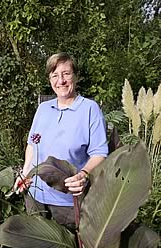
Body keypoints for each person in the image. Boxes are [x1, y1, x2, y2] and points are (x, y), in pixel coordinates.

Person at [14, 52, 108, 229]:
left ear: (75, 76)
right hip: (34, 195)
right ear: (50, 79)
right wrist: (26, 173)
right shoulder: (43, 108)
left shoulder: (89, 109)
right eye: (55, 75)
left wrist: (84, 174)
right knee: (38, 247)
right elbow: (32, 144)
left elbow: (100, 152)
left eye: (66, 74)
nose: (61, 81)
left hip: (67, 201)